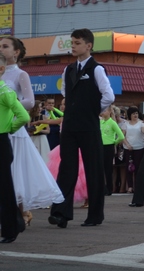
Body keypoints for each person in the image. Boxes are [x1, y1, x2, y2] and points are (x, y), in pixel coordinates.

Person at [48, 29, 114, 228]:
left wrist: (94, 110)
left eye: (77, 43)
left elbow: (109, 96)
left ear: (88, 45)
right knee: (66, 169)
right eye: (72, 43)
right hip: (69, 126)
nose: (73, 46)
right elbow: (65, 92)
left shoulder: (97, 69)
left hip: (89, 126)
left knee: (93, 170)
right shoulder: (68, 69)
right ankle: (61, 214)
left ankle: (94, 215)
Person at [0, 37, 64, 227]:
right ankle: (15, 216)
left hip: (13, 127)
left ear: (16, 52)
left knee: (15, 172)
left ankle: (19, 214)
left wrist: (10, 106)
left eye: (5, 46)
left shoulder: (20, 74)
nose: (1, 49)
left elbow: (29, 100)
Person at [0, 55, 30, 243]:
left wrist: (8, 128)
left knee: (4, 188)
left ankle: (11, 228)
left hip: (1, 142)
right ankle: (15, 223)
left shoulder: (5, 92)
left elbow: (24, 117)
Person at [100, 106, 124, 196]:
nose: (103, 112)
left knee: (108, 169)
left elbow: (121, 136)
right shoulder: (100, 122)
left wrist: (114, 142)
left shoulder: (112, 123)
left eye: (105, 110)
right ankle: (101, 187)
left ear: (110, 111)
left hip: (109, 147)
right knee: (100, 168)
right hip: (100, 147)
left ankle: (109, 188)